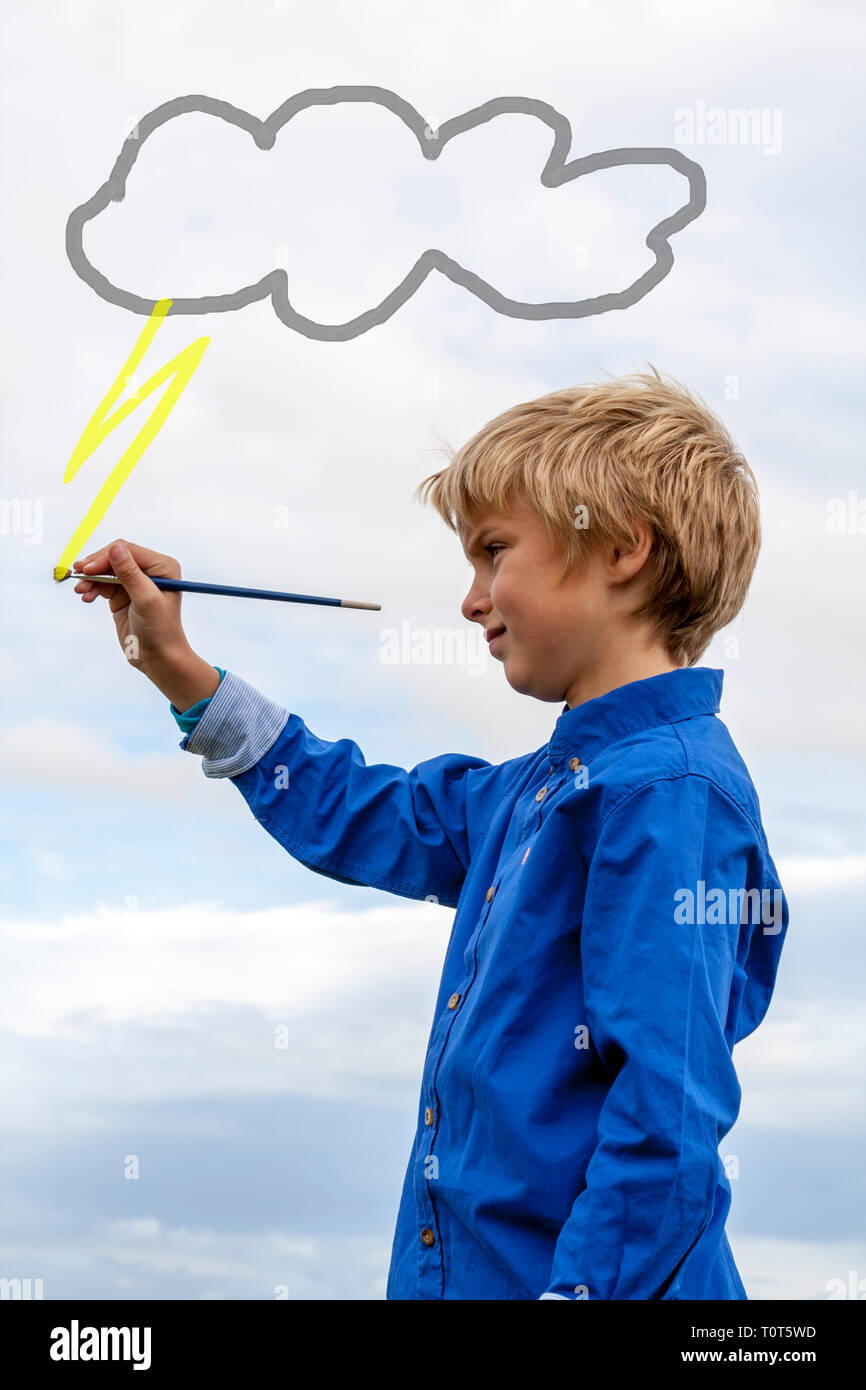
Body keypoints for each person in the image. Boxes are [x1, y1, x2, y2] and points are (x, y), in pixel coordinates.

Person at [71, 367, 789, 1300]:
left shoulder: (671, 796)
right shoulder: (530, 795)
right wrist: (183, 674)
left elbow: (668, 1118)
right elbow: (364, 809)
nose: (472, 598)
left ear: (622, 548)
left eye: (494, 553)